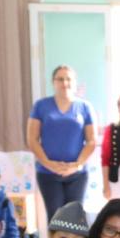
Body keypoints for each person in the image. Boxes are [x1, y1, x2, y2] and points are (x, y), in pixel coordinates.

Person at [27, 66, 97, 220]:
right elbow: (32, 139)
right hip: (48, 174)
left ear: (74, 82)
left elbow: (92, 140)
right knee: (55, 219)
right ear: (53, 82)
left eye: (68, 79)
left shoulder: (85, 107)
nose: (65, 83)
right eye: (60, 79)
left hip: (77, 175)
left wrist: (77, 165)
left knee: (75, 219)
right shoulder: (41, 106)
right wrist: (48, 163)